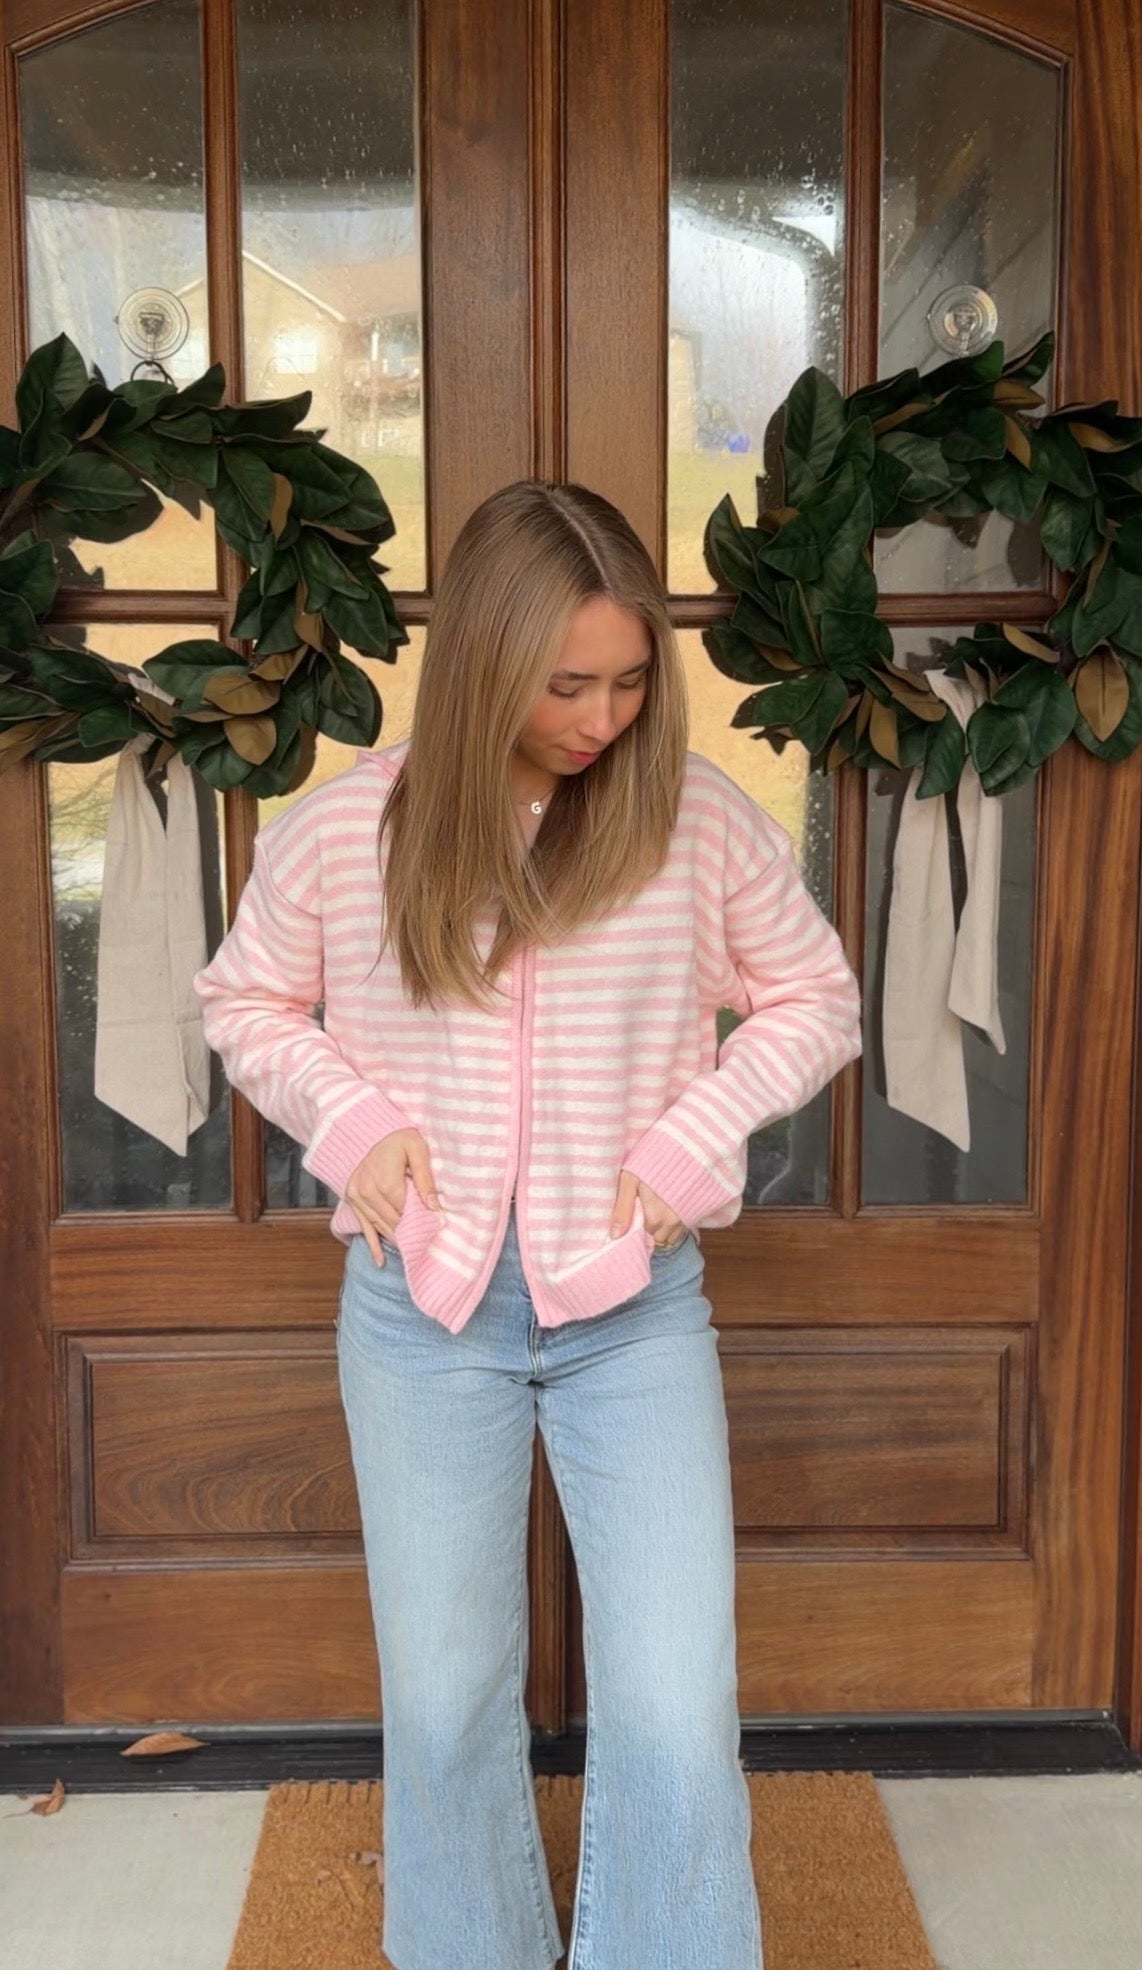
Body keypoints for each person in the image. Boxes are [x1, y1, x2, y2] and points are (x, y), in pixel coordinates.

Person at [193, 478, 863, 1970]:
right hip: (422, 1315)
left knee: (678, 1704)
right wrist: (352, 1126)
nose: (602, 715)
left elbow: (817, 996)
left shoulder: (690, 821)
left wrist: (690, 1139)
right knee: (438, 1699)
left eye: (629, 680)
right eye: (567, 683)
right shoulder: (344, 831)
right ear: (487, 660)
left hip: (634, 1312)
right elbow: (241, 998)